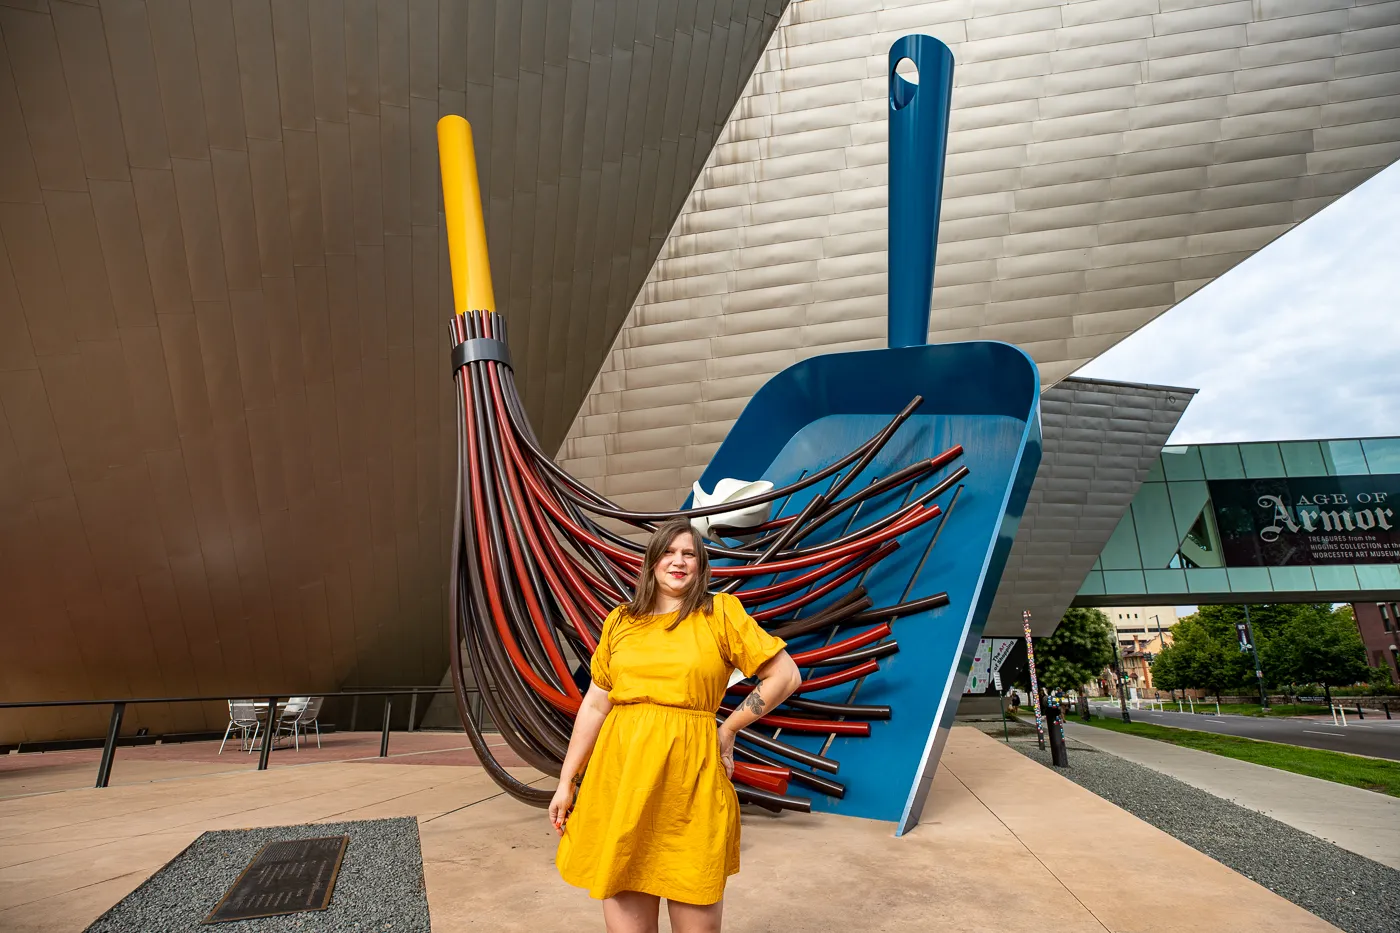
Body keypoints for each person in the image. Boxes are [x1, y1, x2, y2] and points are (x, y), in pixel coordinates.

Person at [551, 517, 802, 933]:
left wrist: (728, 729)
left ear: (701, 566)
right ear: (651, 562)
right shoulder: (621, 621)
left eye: (689, 554)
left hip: (691, 785)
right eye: (668, 552)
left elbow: (785, 676)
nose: (678, 561)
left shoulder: (720, 613)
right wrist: (566, 780)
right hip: (622, 782)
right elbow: (595, 706)